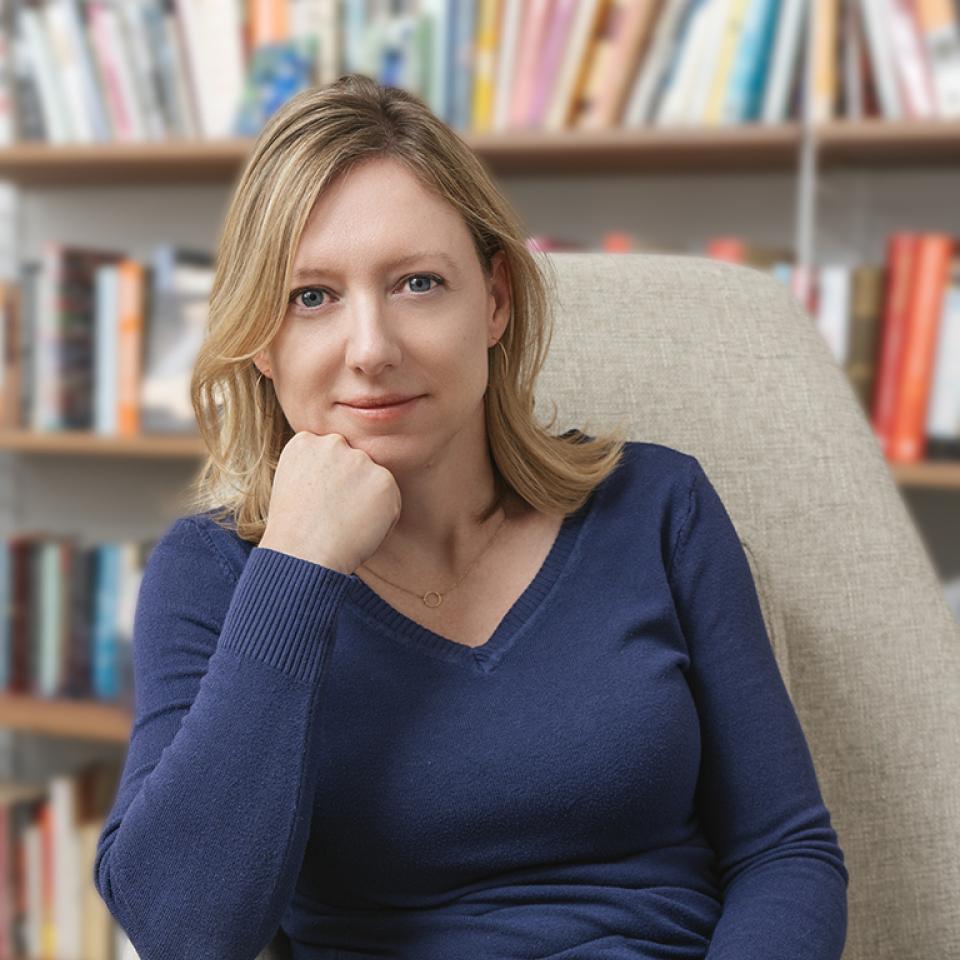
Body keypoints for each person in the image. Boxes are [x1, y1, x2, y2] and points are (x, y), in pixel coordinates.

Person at [93, 74, 848, 960]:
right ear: (262, 338)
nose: (370, 349)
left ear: (492, 301)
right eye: (313, 297)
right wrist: (298, 564)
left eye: (417, 283)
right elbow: (184, 934)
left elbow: (786, 850)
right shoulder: (213, 574)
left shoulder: (657, 508)